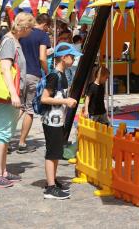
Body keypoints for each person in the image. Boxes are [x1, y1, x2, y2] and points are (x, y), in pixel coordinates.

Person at [0, 11, 34, 188]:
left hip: (10, 94)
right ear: (24, 27)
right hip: (5, 95)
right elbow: (5, 68)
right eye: (30, 27)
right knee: (1, 133)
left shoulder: (13, 40)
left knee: (6, 133)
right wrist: (14, 93)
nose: (31, 31)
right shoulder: (9, 41)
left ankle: (3, 171)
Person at [40, 43, 81, 199]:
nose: (74, 59)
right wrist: (66, 101)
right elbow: (44, 98)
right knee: (52, 153)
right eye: (73, 57)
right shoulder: (54, 76)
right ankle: (50, 188)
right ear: (64, 58)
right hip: (51, 120)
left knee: (56, 152)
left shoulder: (63, 74)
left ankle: (53, 180)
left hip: (58, 120)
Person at [16, 13, 53, 154]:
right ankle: (22, 143)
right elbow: (42, 58)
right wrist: (47, 72)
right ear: (45, 25)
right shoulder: (42, 35)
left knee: (18, 107)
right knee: (29, 109)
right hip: (33, 74)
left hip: (19, 74)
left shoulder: (22, 32)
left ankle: (5, 139)